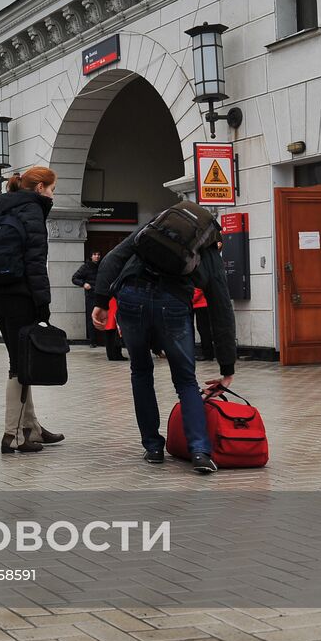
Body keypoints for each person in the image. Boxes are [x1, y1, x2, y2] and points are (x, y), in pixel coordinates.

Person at [92, 202, 237, 475]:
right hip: (173, 305)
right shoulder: (206, 249)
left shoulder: (153, 230)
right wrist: (226, 367)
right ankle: (200, 452)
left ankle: (153, 447)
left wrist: (101, 301)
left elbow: (112, 258)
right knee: (185, 380)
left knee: (141, 371)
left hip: (132, 298)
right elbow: (221, 308)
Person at [0, 167, 65, 453]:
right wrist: (43, 305)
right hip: (20, 295)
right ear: (40, 187)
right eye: (52, 189)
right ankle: (12, 435)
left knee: (22, 361)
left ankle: (31, 428)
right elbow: (35, 263)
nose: (53, 195)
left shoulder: (2, 209)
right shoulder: (32, 212)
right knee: (19, 367)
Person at [71, 249, 103, 347]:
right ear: (91, 256)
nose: (97, 256)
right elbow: (74, 278)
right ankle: (93, 341)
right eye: (94, 254)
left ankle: (103, 340)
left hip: (102, 295)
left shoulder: (103, 265)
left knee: (104, 317)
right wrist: (83, 284)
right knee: (91, 318)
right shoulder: (86, 267)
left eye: (98, 254)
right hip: (91, 296)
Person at [104, 296, 127, 361]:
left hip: (109, 303)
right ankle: (116, 354)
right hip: (114, 302)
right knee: (114, 330)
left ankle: (111, 354)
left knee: (110, 330)